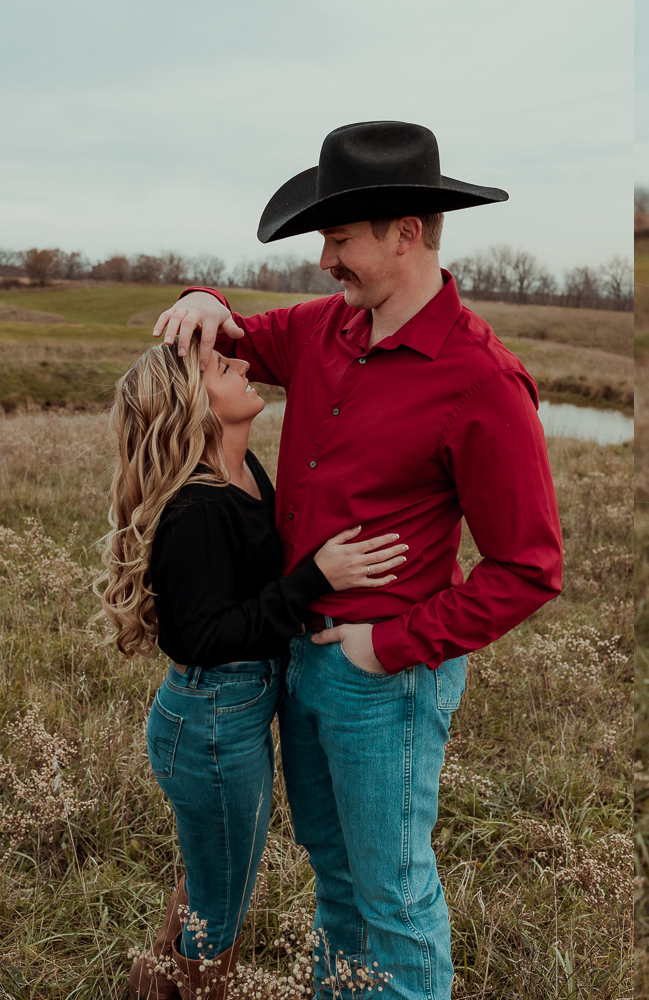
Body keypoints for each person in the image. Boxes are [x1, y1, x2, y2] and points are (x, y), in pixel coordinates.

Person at [151, 120, 564, 1000]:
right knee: (335, 883)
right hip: (299, 655)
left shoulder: (481, 381)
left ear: (405, 234)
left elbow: (529, 568)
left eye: (340, 240)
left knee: (395, 897)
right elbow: (223, 342)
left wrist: (394, 645)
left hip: (386, 680)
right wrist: (199, 295)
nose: (326, 261)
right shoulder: (322, 330)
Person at [96, 338, 406, 999]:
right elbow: (207, 636)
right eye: (221, 366)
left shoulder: (247, 473)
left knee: (214, 881)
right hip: (212, 719)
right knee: (222, 906)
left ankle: (150, 988)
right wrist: (314, 580)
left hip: (234, 712)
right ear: (194, 405)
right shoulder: (196, 508)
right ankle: (190, 988)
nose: (243, 364)